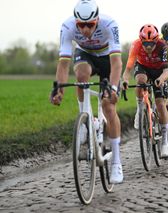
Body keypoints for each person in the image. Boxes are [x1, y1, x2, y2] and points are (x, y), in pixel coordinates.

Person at [50, 0, 123, 184]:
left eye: (89, 25)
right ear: (75, 22)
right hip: (86, 54)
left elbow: (116, 64)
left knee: (108, 105)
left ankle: (116, 162)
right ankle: (85, 119)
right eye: (80, 25)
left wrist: (113, 88)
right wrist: (59, 89)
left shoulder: (110, 24)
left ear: (97, 20)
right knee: (81, 75)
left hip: (107, 57)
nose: (84, 30)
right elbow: (64, 63)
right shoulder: (67, 27)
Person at [122, 24, 168, 158]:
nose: (148, 47)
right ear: (141, 41)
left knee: (161, 104)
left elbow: (167, 71)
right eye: (145, 43)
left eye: (151, 44)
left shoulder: (162, 46)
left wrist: (161, 79)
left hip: (159, 71)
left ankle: (165, 142)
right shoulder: (136, 45)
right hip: (143, 67)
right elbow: (128, 69)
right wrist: (125, 80)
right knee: (140, 80)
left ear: (156, 41)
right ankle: (140, 109)